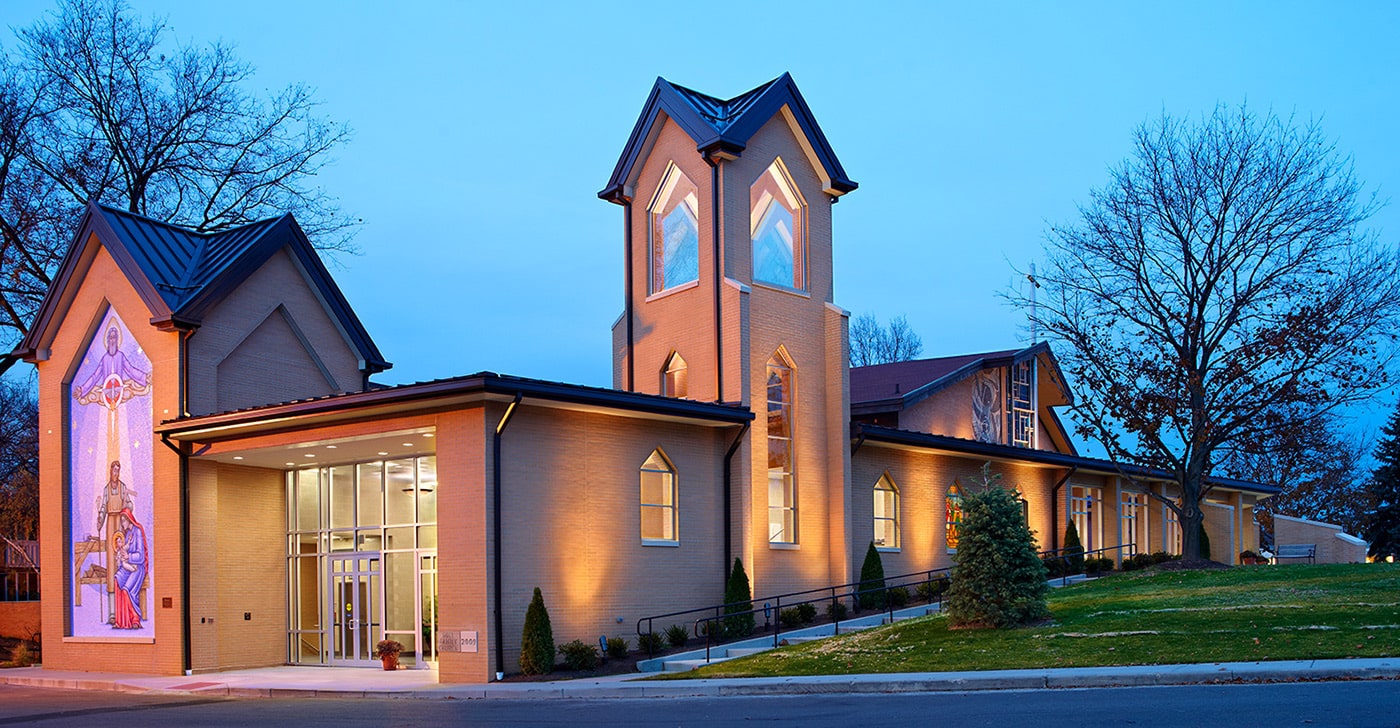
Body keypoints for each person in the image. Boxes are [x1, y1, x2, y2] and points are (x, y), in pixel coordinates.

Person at [73, 325, 149, 407]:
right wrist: (82, 389)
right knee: (93, 394)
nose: (112, 340)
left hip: (119, 390)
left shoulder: (120, 356)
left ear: (117, 340)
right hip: (107, 392)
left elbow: (130, 370)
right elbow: (95, 376)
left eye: (114, 337)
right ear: (107, 340)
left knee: (131, 388)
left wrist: (144, 377)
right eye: (110, 337)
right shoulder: (105, 358)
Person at [112, 509, 147, 630]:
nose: (122, 523)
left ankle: (134, 619)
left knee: (126, 590)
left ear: (129, 519)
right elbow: (125, 549)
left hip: (138, 567)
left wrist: (129, 556)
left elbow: (141, 556)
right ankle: (121, 620)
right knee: (117, 579)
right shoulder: (127, 534)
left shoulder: (137, 532)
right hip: (128, 567)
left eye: (123, 520)